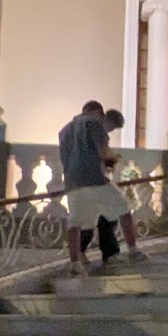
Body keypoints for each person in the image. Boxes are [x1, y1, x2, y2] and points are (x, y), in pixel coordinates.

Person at [57, 99, 145, 275]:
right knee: (123, 208)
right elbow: (102, 150)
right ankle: (133, 251)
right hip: (94, 178)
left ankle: (75, 263)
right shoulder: (94, 122)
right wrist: (112, 159)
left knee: (76, 223)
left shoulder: (64, 130)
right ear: (98, 112)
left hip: (72, 182)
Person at [80, 108, 128, 268]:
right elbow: (103, 154)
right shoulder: (99, 134)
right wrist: (112, 159)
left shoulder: (87, 133)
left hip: (86, 180)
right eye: (112, 127)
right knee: (114, 210)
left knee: (92, 216)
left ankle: (81, 252)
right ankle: (109, 252)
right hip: (96, 181)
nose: (111, 130)